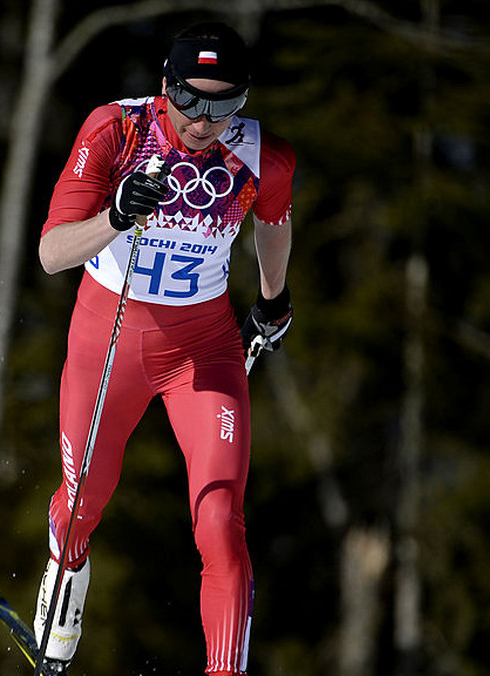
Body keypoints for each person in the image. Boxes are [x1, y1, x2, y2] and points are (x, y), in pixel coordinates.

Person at [30, 21, 296, 676]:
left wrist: (272, 299)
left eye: (224, 104)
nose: (206, 122)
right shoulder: (114, 131)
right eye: (191, 103)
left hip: (202, 349)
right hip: (109, 340)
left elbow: (272, 225)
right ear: (165, 88)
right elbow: (50, 253)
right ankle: (63, 597)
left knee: (220, 522)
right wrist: (116, 215)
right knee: (83, 501)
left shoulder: (266, 155)